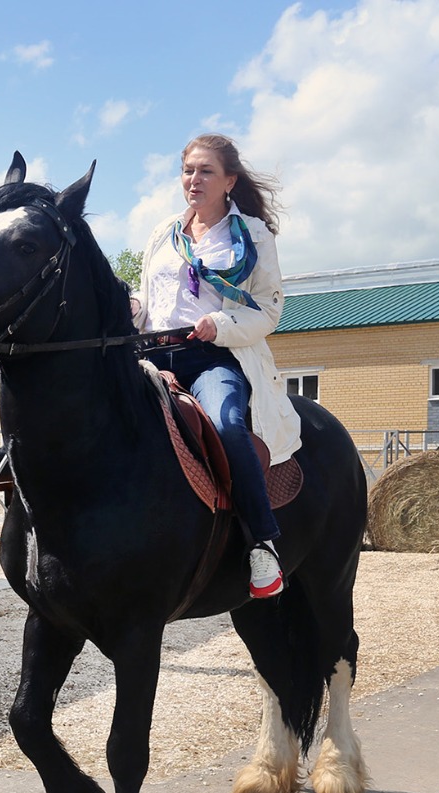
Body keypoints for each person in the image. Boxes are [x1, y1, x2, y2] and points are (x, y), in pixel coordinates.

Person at [132, 134, 300, 598]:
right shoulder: (163, 233)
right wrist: (133, 307)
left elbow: (269, 309)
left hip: (213, 356)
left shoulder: (252, 235)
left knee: (227, 425)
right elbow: (154, 297)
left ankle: (260, 543)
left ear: (229, 180)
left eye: (205, 171)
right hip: (151, 354)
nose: (194, 180)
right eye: (188, 170)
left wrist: (220, 324)